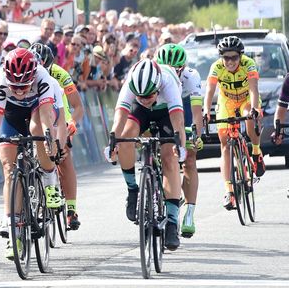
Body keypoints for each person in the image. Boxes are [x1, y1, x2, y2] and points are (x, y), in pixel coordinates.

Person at [0, 48, 65, 259]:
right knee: (9, 169)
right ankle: (13, 231)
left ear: (33, 76)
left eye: (24, 86)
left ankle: (49, 179)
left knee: (38, 131)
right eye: (14, 86)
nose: (19, 91)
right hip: (11, 115)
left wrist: (49, 139)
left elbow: (46, 116)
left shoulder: (43, 77)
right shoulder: (0, 80)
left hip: (37, 110)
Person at [106, 59, 186, 251]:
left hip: (165, 111)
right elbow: (119, 118)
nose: (144, 98)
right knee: (125, 138)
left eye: (148, 95)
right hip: (140, 113)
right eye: (140, 95)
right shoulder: (132, 83)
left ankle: (173, 223)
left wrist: (180, 146)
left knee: (169, 157)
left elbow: (178, 123)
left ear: (157, 86)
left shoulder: (168, 81)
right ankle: (133, 189)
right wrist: (113, 142)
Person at [203, 36, 264, 211]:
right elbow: (209, 90)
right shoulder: (216, 67)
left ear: (240, 56)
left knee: (250, 118)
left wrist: (254, 108)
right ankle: (229, 191)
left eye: (234, 57)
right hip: (227, 102)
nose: (230, 61)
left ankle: (256, 151)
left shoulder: (249, 64)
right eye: (226, 57)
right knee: (224, 144)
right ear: (221, 57)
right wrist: (207, 111)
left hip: (246, 99)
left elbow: (253, 88)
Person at [30, 43, 85, 230]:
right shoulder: (27, 74)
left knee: (64, 156)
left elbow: (77, 106)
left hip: (59, 112)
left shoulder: (60, 74)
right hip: (36, 112)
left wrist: (72, 123)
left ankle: (71, 209)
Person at [156, 44, 203, 238]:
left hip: (182, 107)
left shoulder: (190, 77)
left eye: (177, 69)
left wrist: (196, 135)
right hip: (162, 107)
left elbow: (196, 113)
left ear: (183, 67)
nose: (172, 72)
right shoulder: (155, 74)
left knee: (189, 159)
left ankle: (189, 214)